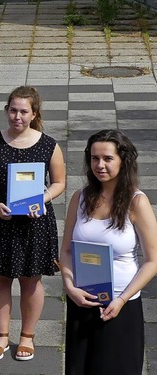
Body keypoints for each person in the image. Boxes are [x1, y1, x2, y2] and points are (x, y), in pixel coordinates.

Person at [0, 86, 65, 361]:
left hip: (33, 223)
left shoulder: (49, 144)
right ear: (6, 111)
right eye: (13, 110)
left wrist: (43, 198)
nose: (17, 116)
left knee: (31, 280)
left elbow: (59, 182)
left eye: (24, 111)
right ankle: (1, 336)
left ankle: (27, 336)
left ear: (34, 114)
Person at [59, 130, 157, 374]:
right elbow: (67, 251)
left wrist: (122, 299)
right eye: (94, 158)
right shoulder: (79, 198)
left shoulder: (137, 202)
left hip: (121, 306)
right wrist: (70, 287)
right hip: (82, 301)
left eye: (107, 158)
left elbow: (152, 261)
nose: (99, 165)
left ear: (123, 160)